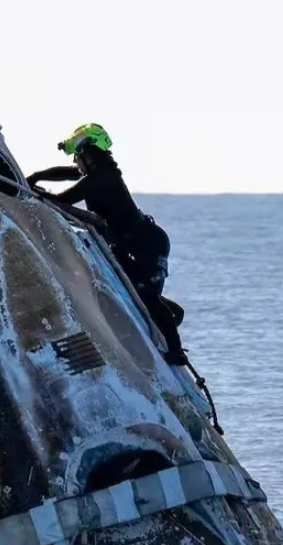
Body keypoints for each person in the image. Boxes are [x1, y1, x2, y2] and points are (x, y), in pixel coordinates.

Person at [27, 123, 189, 365]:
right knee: (139, 292)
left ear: (87, 155)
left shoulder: (102, 179)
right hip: (132, 245)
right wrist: (36, 177)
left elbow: (63, 200)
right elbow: (70, 173)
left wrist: (34, 190)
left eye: (78, 157)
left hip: (149, 244)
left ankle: (176, 354)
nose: (76, 163)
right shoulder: (99, 172)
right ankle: (171, 318)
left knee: (149, 298)